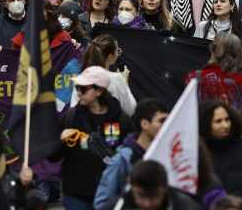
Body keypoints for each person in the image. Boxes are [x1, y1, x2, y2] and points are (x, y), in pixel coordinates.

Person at [58, 66, 135, 210]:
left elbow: (132, 154)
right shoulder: (71, 117)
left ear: (99, 91)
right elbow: (54, 156)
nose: (79, 93)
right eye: (77, 88)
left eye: (84, 89)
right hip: (76, 196)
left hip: (111, 195)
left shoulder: (121, 119)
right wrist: (61, 142)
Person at [94, 98, 170, 209]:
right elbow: (102, 203)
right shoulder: (121, 160)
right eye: (162, 121)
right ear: (145, 124)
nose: (167, 125)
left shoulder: (168, 155)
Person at [185, 32, 242, 109]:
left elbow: (186, 110)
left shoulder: (194, 77)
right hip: (238, 125)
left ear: (213, 51)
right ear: (239, 53)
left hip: (201, 125)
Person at [70, 34, 137, 116]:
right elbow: (130, 110)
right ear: (111, 56)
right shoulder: (117, 79)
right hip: (111, 127)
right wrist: (124, 82)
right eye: (117, 51)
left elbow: (73, 109)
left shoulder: (80, 79)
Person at [200, 100, 242, 196]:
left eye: (227, 119)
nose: (225, 125)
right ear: (206, 123)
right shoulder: (199, 152)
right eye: (218, 121)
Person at [100, 160, 203, 210]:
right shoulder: (114, 208)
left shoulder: (188, 207)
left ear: (165, 186)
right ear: (130, 184)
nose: (147, 204)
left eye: (154, 196)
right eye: (140, 195)